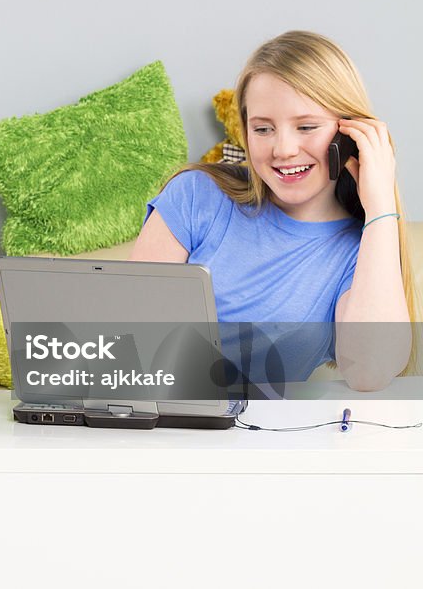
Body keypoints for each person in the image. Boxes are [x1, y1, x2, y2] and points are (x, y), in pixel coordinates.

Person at [131, 31, 417, 391]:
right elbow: (124, 333)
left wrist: (380, 207)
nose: (282, 149)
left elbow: (370, 371)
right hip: (152, 420)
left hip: (253, 439)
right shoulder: (196, 195)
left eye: (307, 127)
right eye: (263, 128)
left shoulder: (359, 252)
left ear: (349, 135)